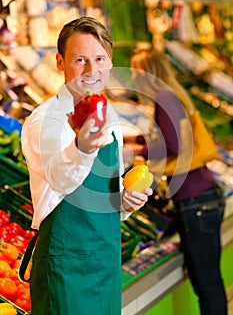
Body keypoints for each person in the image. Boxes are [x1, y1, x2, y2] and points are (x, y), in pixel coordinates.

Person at [20, 17, 152, 315]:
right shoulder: (46, 121)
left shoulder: (112, 119)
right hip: (66, 265)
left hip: (105, 262)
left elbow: (107, 199)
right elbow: (61, 180)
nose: (91, 70)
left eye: (99, 59)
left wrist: (126, 201)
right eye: (80, 60)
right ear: (59, 61)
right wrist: (83, 148)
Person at [127, 48, 228, 315]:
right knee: (211, 279)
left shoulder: (163, 98)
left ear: (151, 71)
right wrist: (134, 140)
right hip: (205, 196)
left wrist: (137, 151)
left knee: (206, 284)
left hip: (195, 201)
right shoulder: (174, 94)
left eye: (138, 71)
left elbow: (173, 144)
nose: (135, 77)